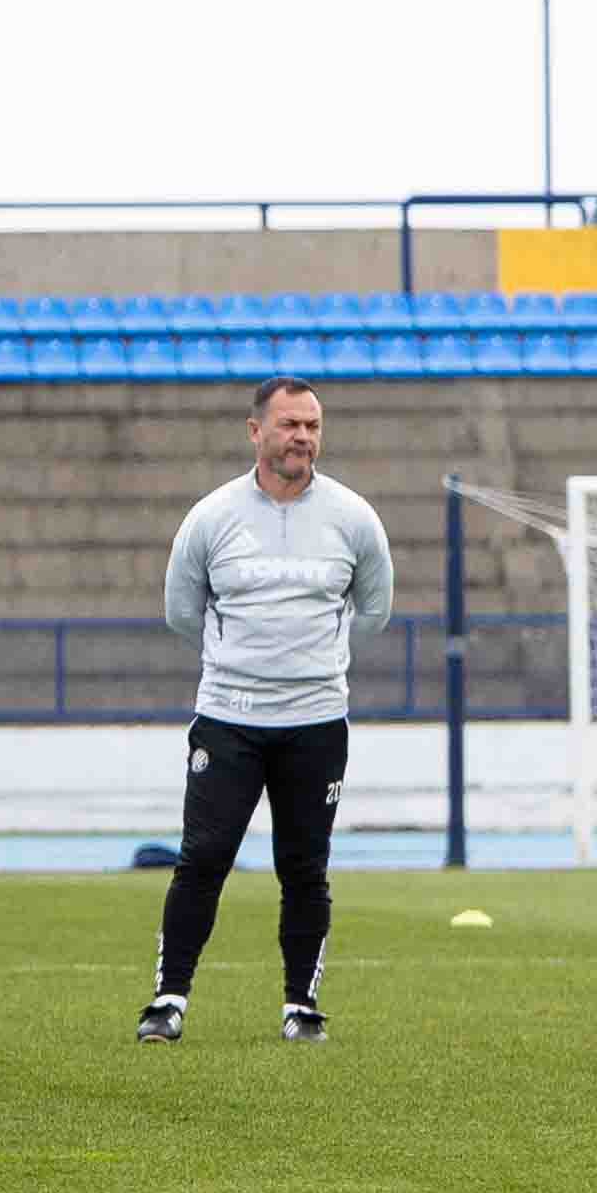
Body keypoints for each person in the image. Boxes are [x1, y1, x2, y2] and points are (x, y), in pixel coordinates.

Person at [141, 377, 392, 1043]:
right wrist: (242, 665)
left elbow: (374, 610)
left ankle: (301, 1007)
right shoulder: (212, 517)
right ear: (256, 431)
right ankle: (168, 1001)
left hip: (317, 723)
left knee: (305, 869)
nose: (302, 437)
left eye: (312, 425)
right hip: (229, 719)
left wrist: (315, 666)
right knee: (203, 858)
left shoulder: (354, 518)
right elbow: (180, 612)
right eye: (289, 425)